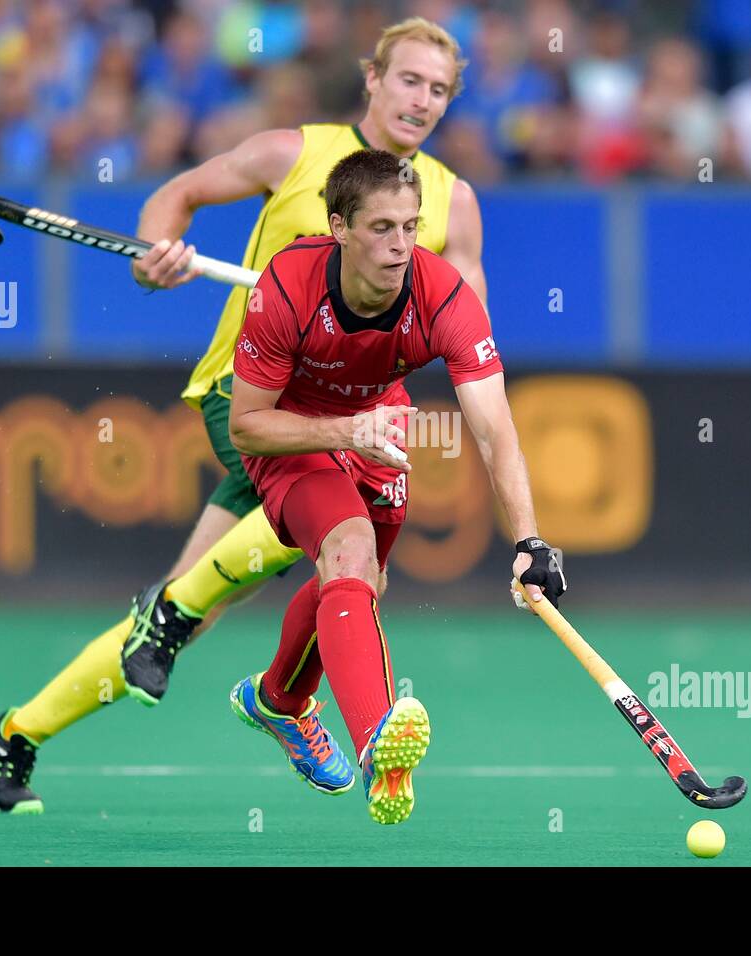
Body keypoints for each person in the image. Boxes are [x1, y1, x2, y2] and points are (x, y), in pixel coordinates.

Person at [0, 18, 487, 815]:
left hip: (352, 417)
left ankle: (17, 732)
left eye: (439, 89)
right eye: (409, 80)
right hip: (251, 404)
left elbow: (468, 324)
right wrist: (157, 256)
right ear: (373, 79)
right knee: (341, 555)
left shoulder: (453, 199)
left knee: (200, 609)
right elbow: (173, 199)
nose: (421, 100)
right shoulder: (295, 152)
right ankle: (275, 695)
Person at [227, 149, 566, 825]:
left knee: (357, 585)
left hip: (377, 428)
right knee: (348, 552)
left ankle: (279, 701)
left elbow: (496, 429)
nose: (400, 245)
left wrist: (531, 538)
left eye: (410, 226)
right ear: (339, 226)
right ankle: (380, 744)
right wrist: (345, 431)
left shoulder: (443, 295)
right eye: (381, 227)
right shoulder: (288, 288)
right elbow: (247, 426)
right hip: (294, 433)